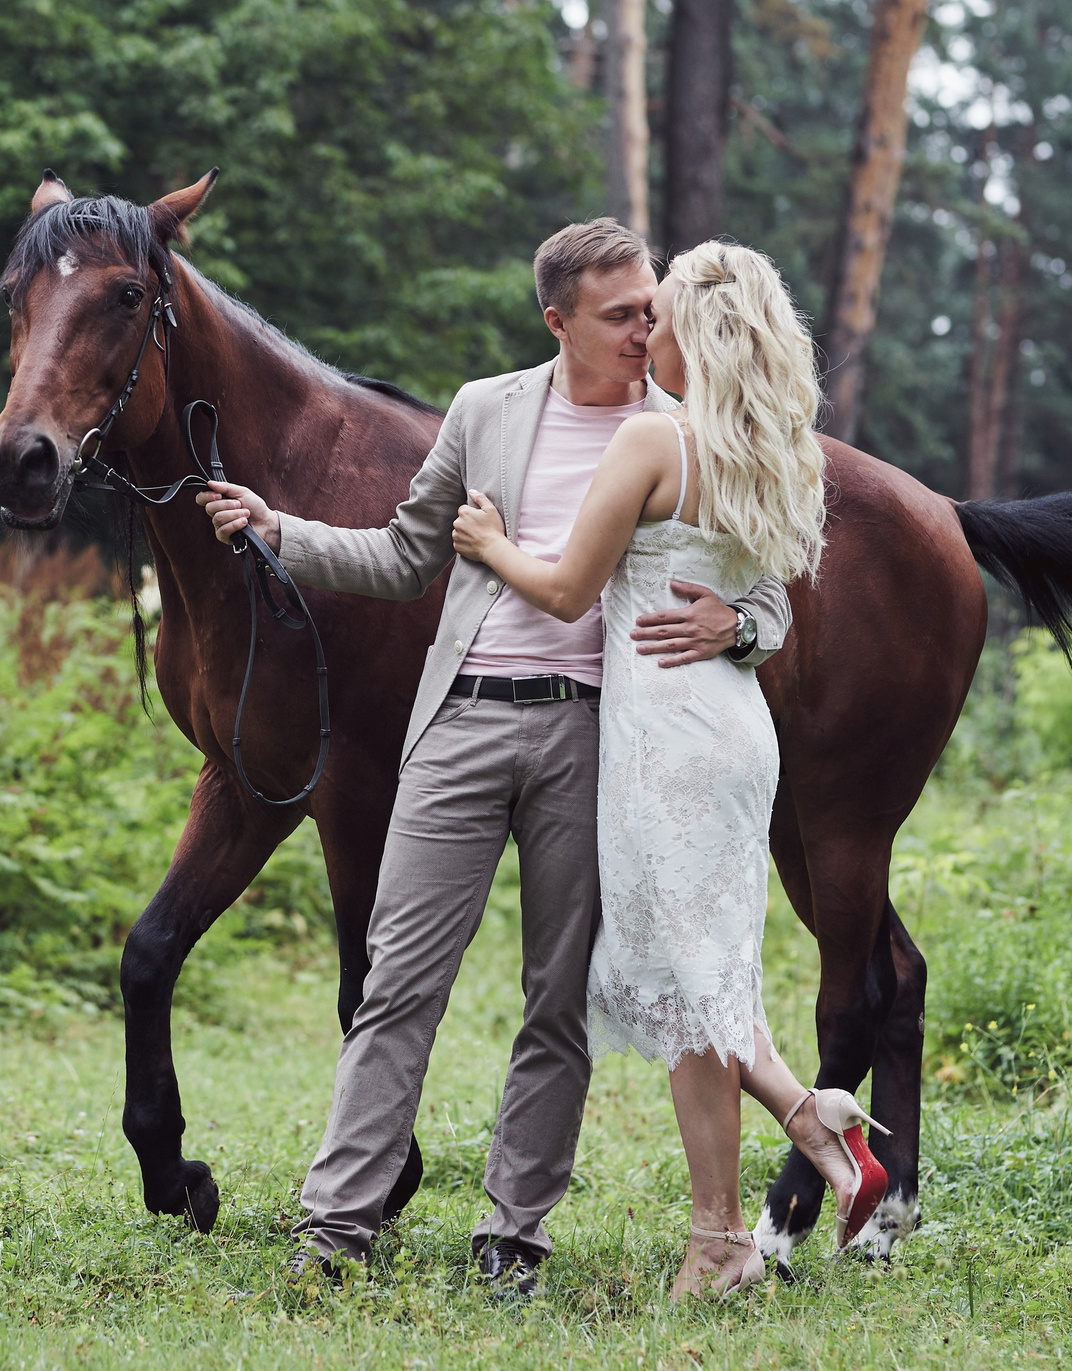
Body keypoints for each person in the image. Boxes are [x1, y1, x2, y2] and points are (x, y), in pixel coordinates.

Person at [198, 219, 790, 1297]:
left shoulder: (681, 425)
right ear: (556, 319)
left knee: (554, 1002)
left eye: (651, 306)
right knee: (396, 984)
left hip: (594, 737)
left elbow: (768, 591)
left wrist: (738, 631)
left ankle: (515, 1238)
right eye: (619, 313)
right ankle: (337, 1229)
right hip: (461, 720)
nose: (644, 325)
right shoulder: (486, 410)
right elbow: (401, 554)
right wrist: (280, 530)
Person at [448, 240, 883, 1299]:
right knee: (706, 975)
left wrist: (489, 541)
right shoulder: (780, 452)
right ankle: (783, 1151)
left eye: (663, 316)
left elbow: (560, 591)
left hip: (665, 744)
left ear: (698, 334)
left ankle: (728, 1229)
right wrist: (737, 624)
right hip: (733, 734)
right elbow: (769, 607)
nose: (648, 332)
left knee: (695, 987)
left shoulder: (653, 441)